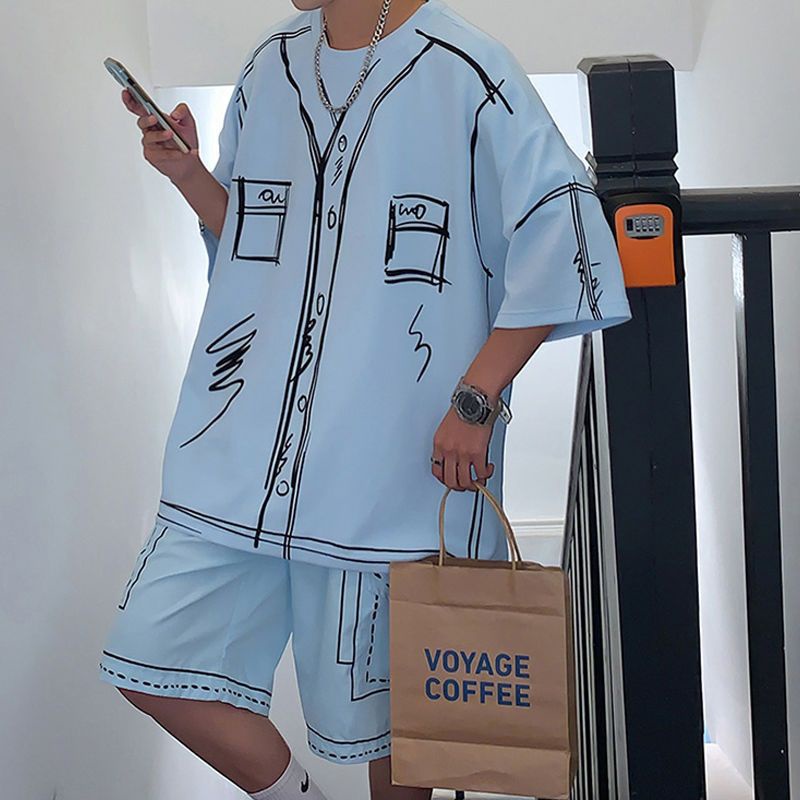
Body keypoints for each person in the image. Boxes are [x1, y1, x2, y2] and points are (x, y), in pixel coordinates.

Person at [97, 0, 633, 797]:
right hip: (242, 452)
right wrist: (189, 176)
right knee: (149, 654)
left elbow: (565, 236)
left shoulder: (468, 71)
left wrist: (478, 397)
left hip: (390, 462)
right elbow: (258, 240)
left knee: (400, 725)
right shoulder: (272, 65)